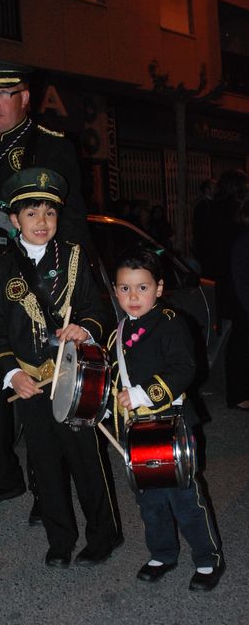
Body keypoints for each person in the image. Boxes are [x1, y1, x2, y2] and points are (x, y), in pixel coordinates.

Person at [0, 60, 90, 520]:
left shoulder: (49, 146)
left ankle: (45, 491)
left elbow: (69, 223)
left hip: (35, 287)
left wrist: (65, 288)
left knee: (43, 393)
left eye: (3, 94)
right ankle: (1, 478)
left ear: (24, 98)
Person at [0, 167, 122, 568]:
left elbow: (98, 313)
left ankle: (104, 534)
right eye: (32, 214)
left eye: (49, 213)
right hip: (33, 384)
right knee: (45, 466)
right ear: (15, 220)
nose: (42, 222)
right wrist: (14, 374)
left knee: (87, 462)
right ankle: (60, 539)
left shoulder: (76, 258)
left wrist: (84, 328)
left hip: (73, 379)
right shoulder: (1, 269)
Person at [106, 246, 224, 591]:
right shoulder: (118, 332)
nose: (133, 296)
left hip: (170, 423)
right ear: (115, 291)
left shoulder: (171, 323)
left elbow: (184, 369)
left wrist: (143, 394)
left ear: (158, 288)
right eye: (125, 288)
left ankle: (207, 559)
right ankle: (163, 553)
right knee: (150, 500)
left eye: (142, 287)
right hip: (137, 430)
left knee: (185, 497)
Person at [213, 169, 249, 409]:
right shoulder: (227, 215)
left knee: (239, 340)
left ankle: (239, 394)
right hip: (236, 287)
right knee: (240, 341)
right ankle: (238, 395)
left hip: (227, 282)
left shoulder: (216, 210)